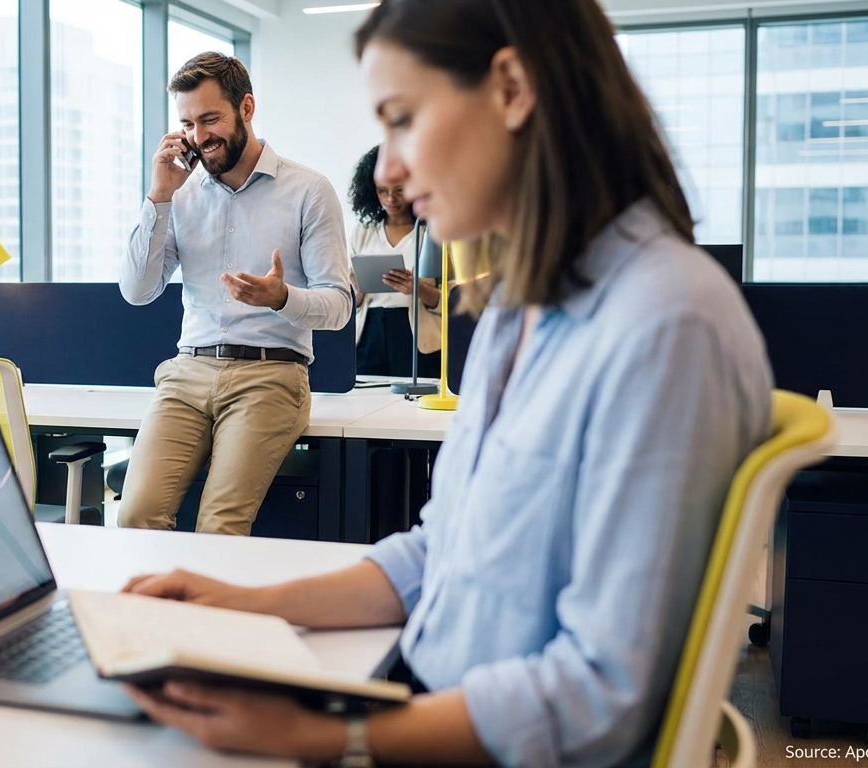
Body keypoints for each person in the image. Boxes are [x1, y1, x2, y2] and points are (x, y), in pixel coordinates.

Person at [119, 1, 773, 766]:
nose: (388, 172)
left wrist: (329, 737)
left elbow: (600, 697)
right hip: (418, 691)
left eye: (403, 119)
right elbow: (437, 556)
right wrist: (241, 605)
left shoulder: (665, 324)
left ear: (511, 89)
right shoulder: (517, 314)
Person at [118, 52, 352, 536]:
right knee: (136, 515)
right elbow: (138, 292)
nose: (199, 137)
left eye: (210, 119)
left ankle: (211, 615)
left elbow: (339, 307)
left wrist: (282, 297)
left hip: (270, 375)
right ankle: (155, 615)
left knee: (219, 527)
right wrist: (158, 195)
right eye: (187, 123)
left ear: (246, 108)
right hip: (188, 373)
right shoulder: (180, 194)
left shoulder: (308, 190)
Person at [348, 144, 442, 378]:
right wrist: (356, 291)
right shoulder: (364, 231)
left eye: (399, 190)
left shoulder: (435, 233)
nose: (391, 198)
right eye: (382, 191)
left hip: (416, 333)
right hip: (369, 332)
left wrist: (417, 288)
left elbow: (455, 298)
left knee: (414, 403)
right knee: (367, 400)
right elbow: (351, 303)